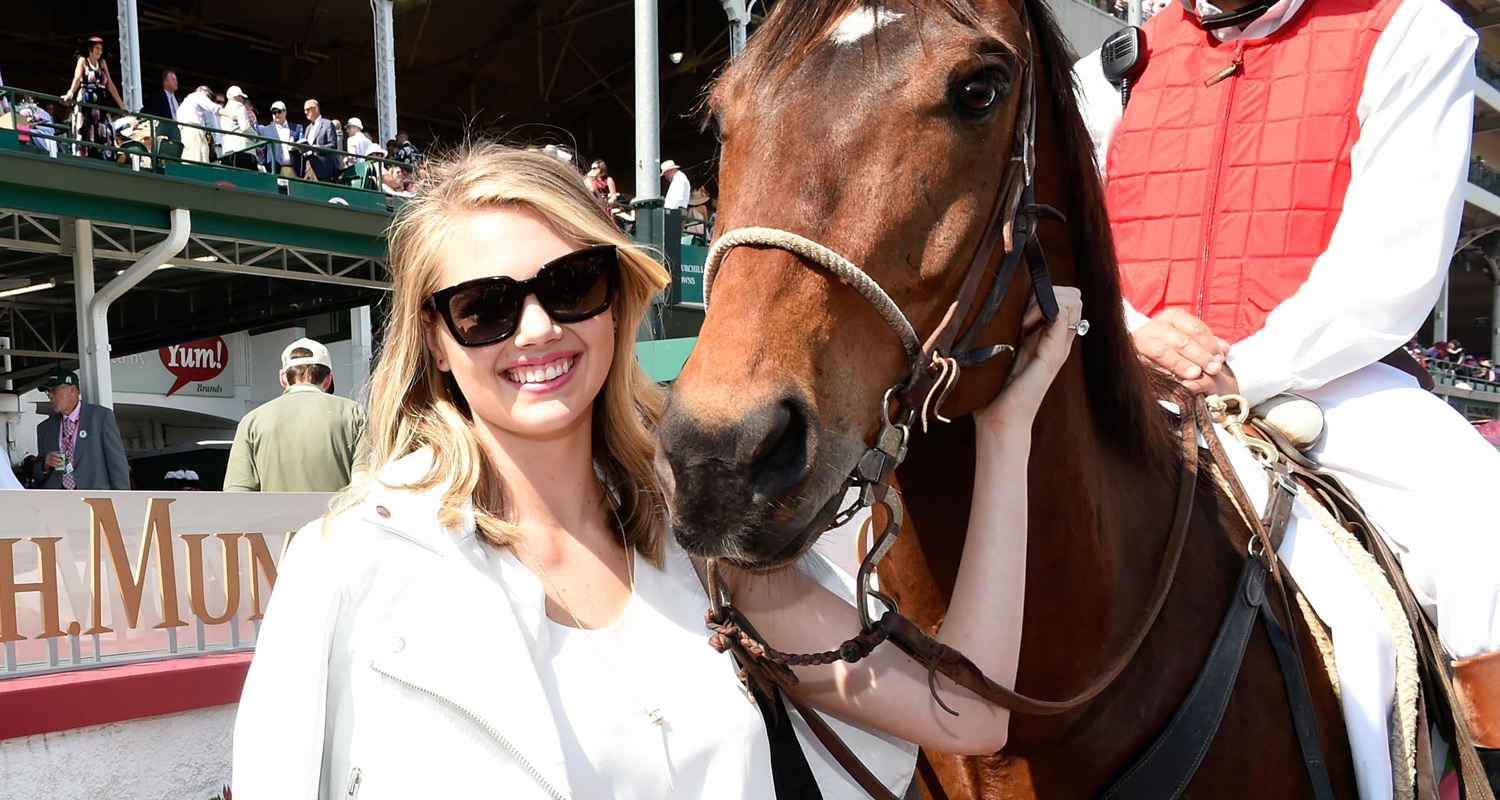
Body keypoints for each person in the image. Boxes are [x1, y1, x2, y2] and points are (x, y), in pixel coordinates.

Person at [232, 142, 1086, 798]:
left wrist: (1006, 431)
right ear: (436, 340)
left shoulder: (704, 550)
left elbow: (966, 714)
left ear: (615, 299)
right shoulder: (348, 565)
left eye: (570, 283)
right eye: (485, 306)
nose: (537, 329)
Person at [1076, 0, 1500, 748]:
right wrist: (1130, 333)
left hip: (1325, 381)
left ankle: (1481, 749)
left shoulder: (1413, 29)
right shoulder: (1107, 68)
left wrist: (1239, 368)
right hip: (1125, 366)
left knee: (1480, 514)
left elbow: (1391, 265)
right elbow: (1053, 234)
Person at [223, 338, 369, 493]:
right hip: (335, 509)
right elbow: (363, 485)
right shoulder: (354, 413)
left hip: (274, 510)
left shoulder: (252, 422)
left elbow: (237, 493)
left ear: (283, 378)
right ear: (328, 379)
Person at [31, 370, 130, 490]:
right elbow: (36, 475)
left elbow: (117, 463)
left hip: (93, 495)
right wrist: (45, 465)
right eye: (48, 392)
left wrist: (122, 497)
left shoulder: (100, 417)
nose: (50, 396)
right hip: (58, 497)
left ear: (72, 390)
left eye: (54, 390)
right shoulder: (45, 428)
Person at [60, 37, 127, 159]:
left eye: (101, 49)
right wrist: (70, 93)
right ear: (90, 49)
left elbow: (110, 84)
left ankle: (104, 157)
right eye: (97, 48)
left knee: (104, 130)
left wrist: (121, 105)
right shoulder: (83, 61)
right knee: (86, 129)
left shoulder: (102, 63)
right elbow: (77, 78)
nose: (99, 51)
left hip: (101, 103)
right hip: (87, 100)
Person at [258, 100, 303, 178]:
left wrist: (298, 147)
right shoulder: (265, 130)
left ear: (285, 112)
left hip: (295, 169)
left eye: (279, 112)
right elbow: (262, 151)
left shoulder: (297, 128)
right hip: (274, 170)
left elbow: (305, 147)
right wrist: (264, 167)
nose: (276, 115)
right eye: (274, 113)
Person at [176, 85, 220, 163]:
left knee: (200, 159)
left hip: (192, 132)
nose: (208, 99)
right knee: (195, 159)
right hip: (193, 131)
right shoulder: (197, 96)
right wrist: (229, 114)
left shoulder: (186, 103)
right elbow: (214, 108)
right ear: (200, 90)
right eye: (207, 96)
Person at [218, 86, 258, 170]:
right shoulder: (239, 106)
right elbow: (245, 127)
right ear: (237, 96)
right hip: (242, 149)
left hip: (227, 150)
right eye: (241, 96)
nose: (242, 99)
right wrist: (256, 137)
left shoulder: (224, 110)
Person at [301, 99, 339, 181]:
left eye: (308, 109)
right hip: (308, 167)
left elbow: (333, 145)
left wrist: (319, 148)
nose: (305, 112)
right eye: (304, 110)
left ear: (316, 109)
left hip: (322, 168)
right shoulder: (308, 128)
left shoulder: (327, 124)